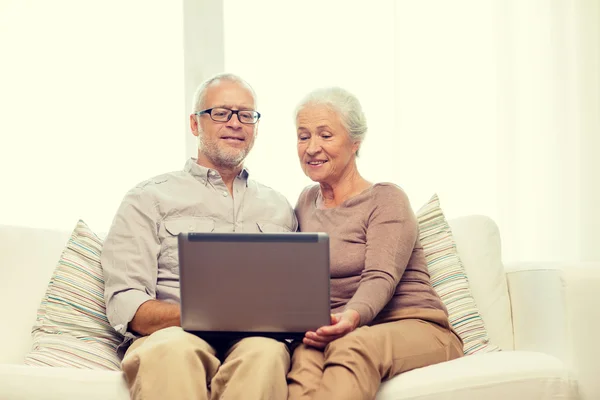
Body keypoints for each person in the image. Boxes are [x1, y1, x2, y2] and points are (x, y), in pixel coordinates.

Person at [101, 73, 297, 400]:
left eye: (246, 115)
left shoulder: (279, 207)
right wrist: (208, 313)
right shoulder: (147, 198)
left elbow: (292, 297)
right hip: (172, 335)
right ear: (195, 124)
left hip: (253, 341)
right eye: (221, 113)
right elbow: (126, 302)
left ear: (256, 127)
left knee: (267, 354)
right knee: (174, 350)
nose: (235, 123)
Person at [287, 87, 464, 400]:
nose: (312, 147)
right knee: (302, 358)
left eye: (325, 135)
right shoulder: (304, 202)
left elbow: (380, 277)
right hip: (338, 329)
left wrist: (351, 317)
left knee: (351, 346)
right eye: (303, 136)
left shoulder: (386, 199)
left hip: (415, 325)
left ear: (355, 142)